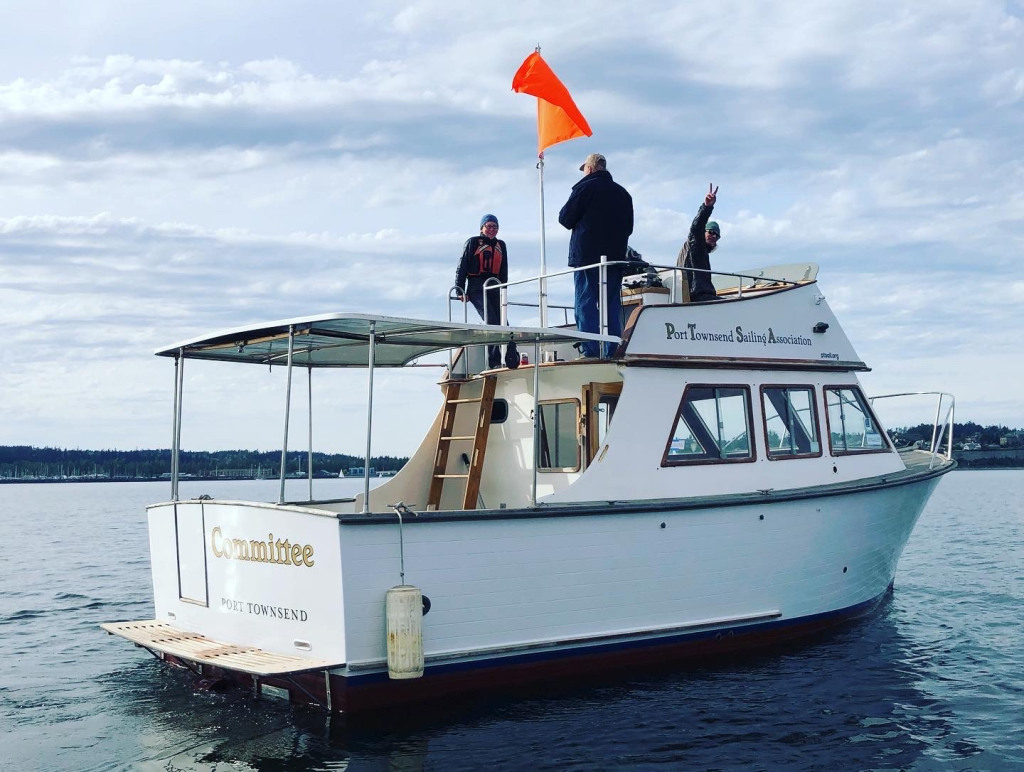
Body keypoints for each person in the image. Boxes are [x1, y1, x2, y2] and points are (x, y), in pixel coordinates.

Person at [558, 153, 634, 358]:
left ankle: (590, 350)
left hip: (587, 258)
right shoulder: (623, 194)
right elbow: (629, 228)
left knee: (586, 303)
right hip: (614, 258)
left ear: (590, 168)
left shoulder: (584, 188)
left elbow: (565, 219)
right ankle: (613, 349)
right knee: (611, 304)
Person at [455, 214, 519, 369]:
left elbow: (504, 270)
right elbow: (462, 266)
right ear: (482, 228)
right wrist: (460, 289)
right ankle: (493, 361)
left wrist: (504, 289)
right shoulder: (473, 242)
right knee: (491, 322)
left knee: (504, 322)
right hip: (477, 288)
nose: (492, 229)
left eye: (495, 227)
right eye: (489, 226)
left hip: (494, 287)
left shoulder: (501, 245)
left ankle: (512, 353)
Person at [676, 184, 721, 302]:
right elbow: (697, 227)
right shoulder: (695, 243)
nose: (714, 236)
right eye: (711, 232)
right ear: (703, 232)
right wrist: (707, 207)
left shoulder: (702, 250)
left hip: (700, 295)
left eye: (717, 235)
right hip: (697, 295)